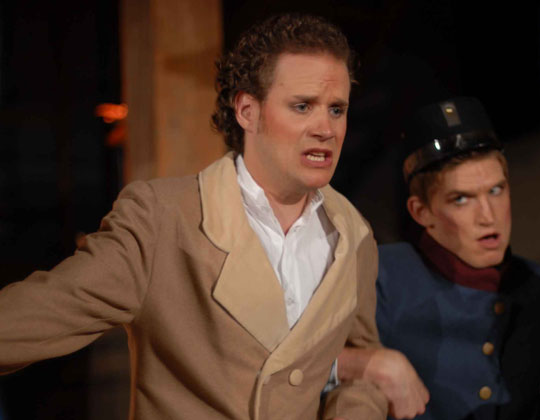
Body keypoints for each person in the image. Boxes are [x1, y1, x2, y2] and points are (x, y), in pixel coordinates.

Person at [0, 14, 388, 419]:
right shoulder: (162, 220)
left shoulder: (353, 235)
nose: (326, 128)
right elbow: (40, 315)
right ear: (247, 111)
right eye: (303, 106)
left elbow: (361, 367)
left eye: (337, 109)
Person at [340, 96, 540, 420]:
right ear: (421, 212)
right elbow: (294, 364)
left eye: (496, 191)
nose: (488, 216)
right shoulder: (379, 276)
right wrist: (370, 365)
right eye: (461, 200)